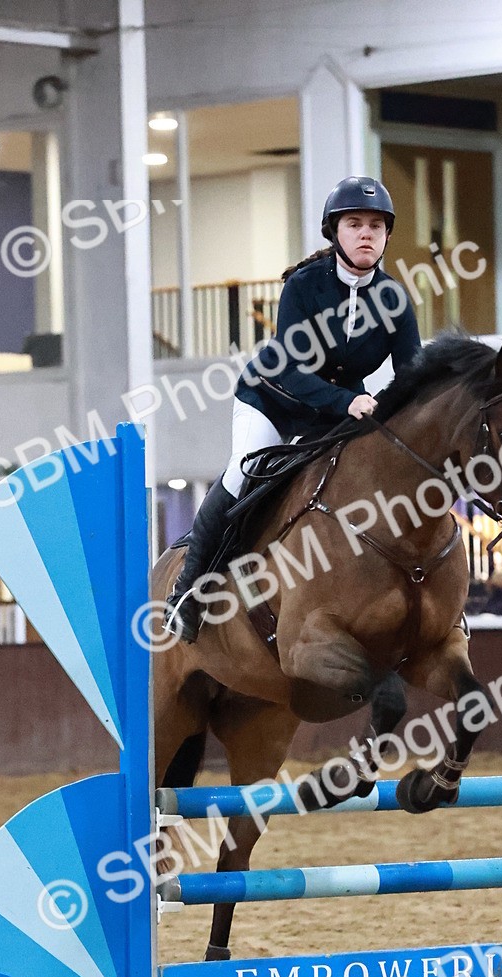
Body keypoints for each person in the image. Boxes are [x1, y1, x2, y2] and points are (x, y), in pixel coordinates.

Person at [164, 175, 422, 642]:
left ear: (387, 235)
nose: (366, 233)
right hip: (272, 399)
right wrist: (352, 402)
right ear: (335, 233)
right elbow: (293, 371)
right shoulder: (304, 287)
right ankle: (187, 594)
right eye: (355, 224)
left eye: (376, 226)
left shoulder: (395, 300)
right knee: (240, 478)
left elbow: (412, 376)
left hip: (334, 412)